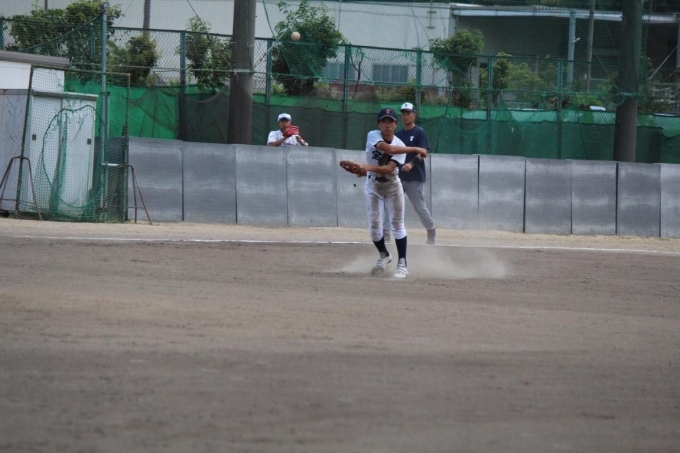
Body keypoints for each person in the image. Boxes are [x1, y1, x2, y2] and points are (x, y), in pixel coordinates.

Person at [356, 107, 427, 279]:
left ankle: (402, 264)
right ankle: (384, 255)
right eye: (383, 121)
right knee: (374, 228)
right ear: (378, 124)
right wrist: (416, 149)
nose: (387, 125)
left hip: (392, 185)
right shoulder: (373, 135)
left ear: (396, 124)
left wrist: (366, 167)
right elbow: (386, 148)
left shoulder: (400, 145)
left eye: (391, 122)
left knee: (397, 224)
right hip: (373, 186)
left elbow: (389, 168)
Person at [389, 102, 437, 244]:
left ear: (414, 115)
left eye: (408, 113)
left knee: (419, 207)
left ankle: (431, 229)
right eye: (403, 113)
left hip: (414, 177)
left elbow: (423, 152)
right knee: (390, 205)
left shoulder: (419, 132)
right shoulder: (398, 135)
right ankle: (385, 233)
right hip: (398, 176)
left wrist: (411, 163)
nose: (406, 116)